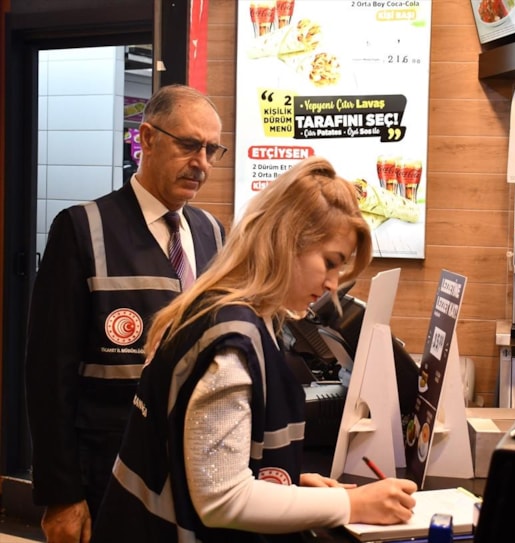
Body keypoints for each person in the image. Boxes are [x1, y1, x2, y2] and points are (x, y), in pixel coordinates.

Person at [91, 156, 418, 542]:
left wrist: (288, 484)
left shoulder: (215, 308)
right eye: (330, 263)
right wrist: (351, 504)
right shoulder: (232, 346)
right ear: (286, 241)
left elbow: (203, 456)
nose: (333, 284)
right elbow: (221, 499)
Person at [25, 84, 226, 543]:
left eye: (211, 150)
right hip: (108, 472)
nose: (202, 163)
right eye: (189, 145)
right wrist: (61, 493)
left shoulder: (212, 234)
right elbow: (48, 375)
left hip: (193, 473)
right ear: (147, 139)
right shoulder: (82, 229)